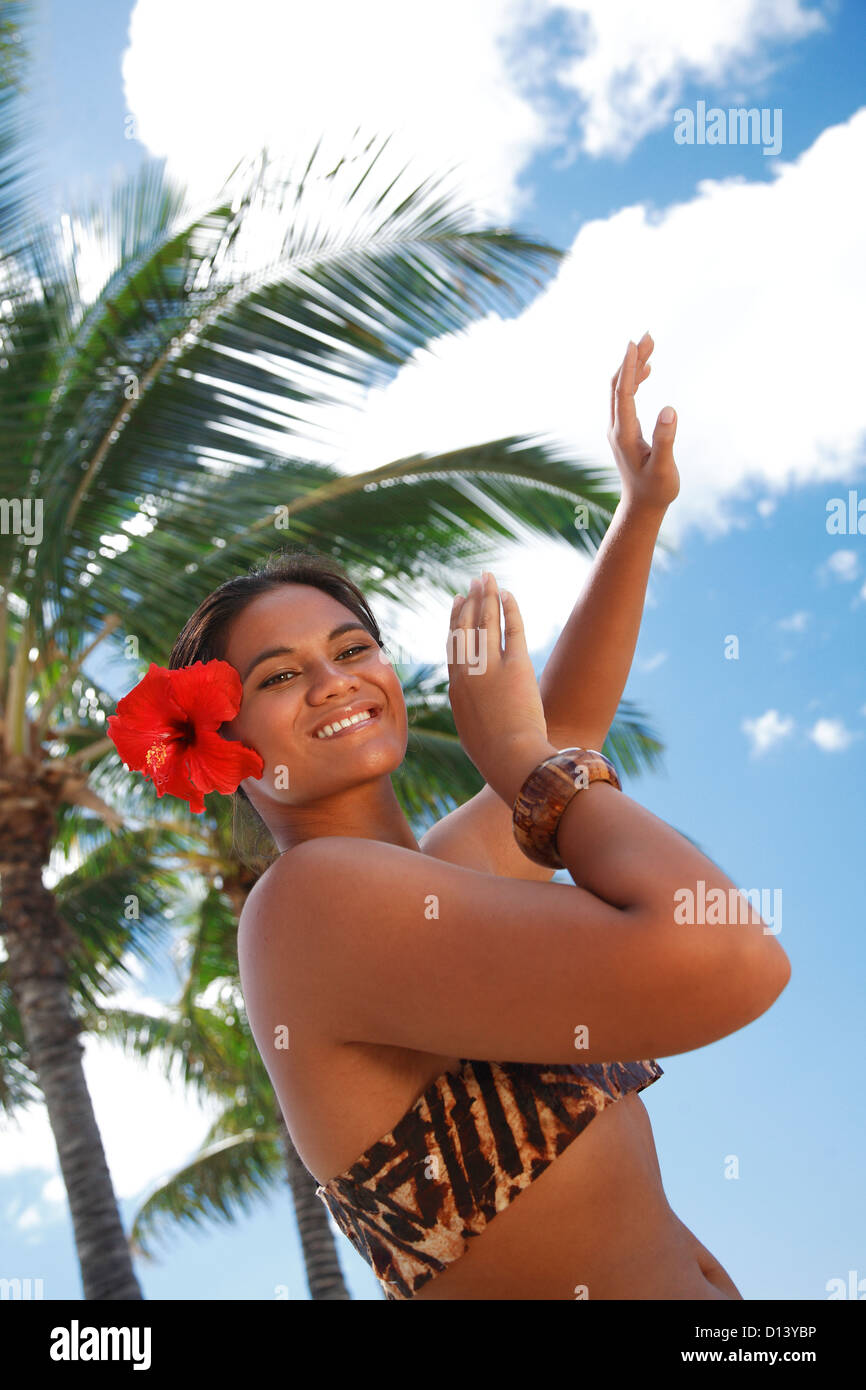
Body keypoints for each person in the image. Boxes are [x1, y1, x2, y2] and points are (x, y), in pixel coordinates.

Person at [116, 334, 790, 1300]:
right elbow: (732, 958)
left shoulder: (435, 886)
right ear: (226, 749)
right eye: (279, 675)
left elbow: (568, 725)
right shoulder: (308, 904)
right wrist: (520, 764)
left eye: (352, 648)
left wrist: (640, 512)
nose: (333, 681)